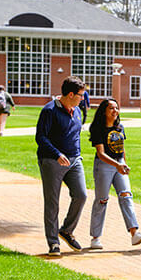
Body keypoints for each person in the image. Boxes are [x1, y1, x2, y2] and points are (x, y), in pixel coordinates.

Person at [35, 76, 88, 258]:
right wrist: (57, 154)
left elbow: (75, 135)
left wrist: (76, 154)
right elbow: (40, 138)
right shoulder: (49, 111)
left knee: (81, 195)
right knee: (52, 202)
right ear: (71, 94)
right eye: (81, 95)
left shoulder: (77, 111)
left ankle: (66, 230)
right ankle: (53, 243)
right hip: (52, 161)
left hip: (74, 160)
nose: (83, 98)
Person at [87, 98, 141, 250]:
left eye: (116, 108)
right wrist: (117, 165)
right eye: (111, 108)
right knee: (102, 200)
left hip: (119, 164)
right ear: (104, 111)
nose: (115, 111)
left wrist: (124, 163)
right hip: (104, 166)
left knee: (126, 195)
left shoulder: (119, 127)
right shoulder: (98, 128)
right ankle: (95, 238)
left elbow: (121, 148)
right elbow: (101, 154)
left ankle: (134, 233)